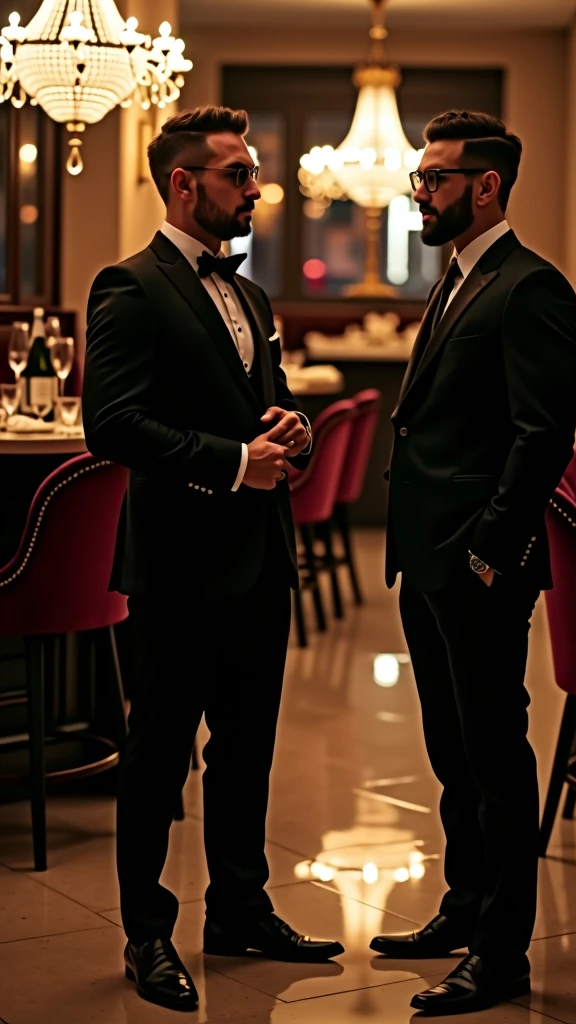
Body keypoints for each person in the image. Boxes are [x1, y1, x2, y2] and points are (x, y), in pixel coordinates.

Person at [83, 105, 344, 1014]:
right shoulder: (128, 286)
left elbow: (260, 405)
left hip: (259, 561)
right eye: (238, 173)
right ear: (184, 183)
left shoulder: (252, 294)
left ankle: (238, 907)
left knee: (247, 750)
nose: (257, 187)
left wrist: (290, 427)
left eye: (254, 170)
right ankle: (147, 932)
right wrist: (234, 463)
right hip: (178, 562)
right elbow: (110, 424)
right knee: (158, 759)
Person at [370, 110, 576, 1015]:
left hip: (478, 563)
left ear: (486, 186)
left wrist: (492, 550)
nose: (418, 189)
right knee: (451, 753)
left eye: (435, 177)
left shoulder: (531, 287)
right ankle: (462, 908)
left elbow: (542, 438)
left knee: (495, 758)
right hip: (428, 559)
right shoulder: (457, 277)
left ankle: (502, 956)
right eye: (422, 176)